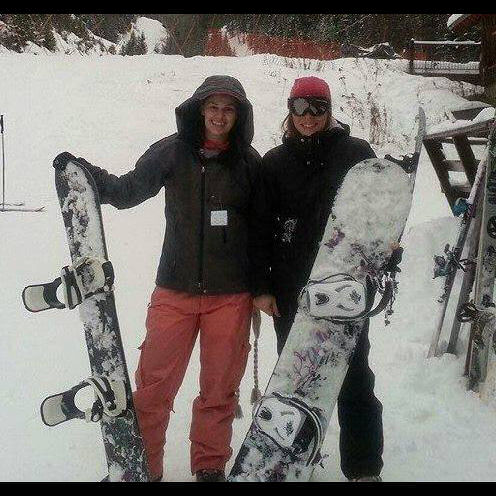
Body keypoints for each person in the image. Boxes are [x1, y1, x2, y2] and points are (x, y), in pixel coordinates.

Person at [73, 75, 268, 482]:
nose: (219, 116)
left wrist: (265, 286)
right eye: (212, 107)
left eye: (228, 109)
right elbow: (128, 190)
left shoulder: (249, 163)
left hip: (231, 295)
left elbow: (264, 227)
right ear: (199, 110)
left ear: (239, 116)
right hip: (175, 290)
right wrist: (85, 174)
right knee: (153, 386)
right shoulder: (172, 151)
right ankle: (145, 467)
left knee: (219, 389)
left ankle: (210, 465)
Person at [254, 76, 384, 482]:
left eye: (317, 108)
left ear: (329, 111)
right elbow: (259, 228)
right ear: (289, 111)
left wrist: (385, 253)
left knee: (354, 377)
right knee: (296, 379)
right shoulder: (274, 163)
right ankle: (292, 461)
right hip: (291, 287)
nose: (308, 117)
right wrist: (262, 287)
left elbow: (377, 213)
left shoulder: (356, 153)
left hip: (345, 287)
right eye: (299, 108)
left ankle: (363, 467)